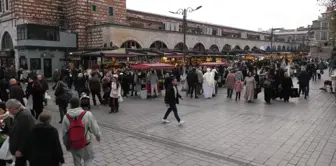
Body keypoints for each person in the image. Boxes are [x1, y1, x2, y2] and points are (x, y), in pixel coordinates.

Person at [62, 97, 101, 166]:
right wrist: (98, 136)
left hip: (73, 143)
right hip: (86, 142)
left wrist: (66, 144)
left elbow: (64, 133)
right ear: (79, 104)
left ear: (70, 105)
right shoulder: (87, 114)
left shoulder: (66, 117)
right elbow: (94, 127)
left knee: (77, 161)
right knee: (88, 159)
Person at [5, 99, 35, 166]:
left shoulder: (23, 116)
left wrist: (20, 150)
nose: (8, 111)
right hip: (22, 148)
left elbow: (25, 135)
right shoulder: (20, 114)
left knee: (20, 163)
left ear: (12, 108)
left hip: (23, 149)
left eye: (8, 109)